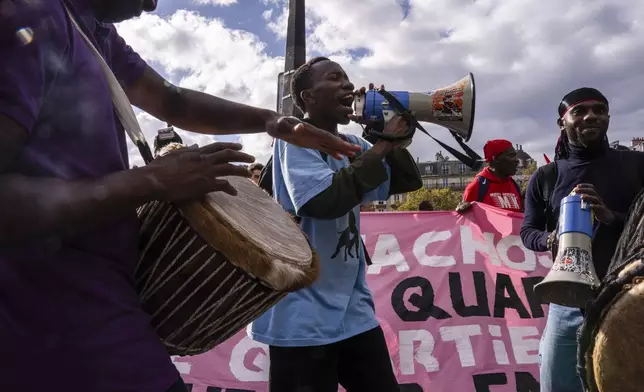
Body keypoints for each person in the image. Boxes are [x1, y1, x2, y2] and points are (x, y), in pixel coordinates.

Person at [0, 3, 360, 392]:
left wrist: (271, 121)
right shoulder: (25, 15)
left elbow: (172, 101)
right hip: (50, 314)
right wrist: (151, 181)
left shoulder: (95, 30)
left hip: (102, 297)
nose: (153, 4)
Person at [249, 56, 422, 392]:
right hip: (302, 315)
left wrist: (384, 132)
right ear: (307, 98)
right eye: (334, 78)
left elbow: (404, 180)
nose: (347, 84)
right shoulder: (292, 141)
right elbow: (323, 201)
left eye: (347, 77)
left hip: (352, 310)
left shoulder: (356, 145)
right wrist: (383, 145)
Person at [520, 87, 644, 392]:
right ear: (563, 122)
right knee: (555, 385)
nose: (591, 116)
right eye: (580, 111)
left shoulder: (637, 165)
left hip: (631, 299)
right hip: (569, 300)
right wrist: (550, 238)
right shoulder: (546, 176)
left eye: (600, 110)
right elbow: (527, 232)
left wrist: (611, 218)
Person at [456, 139, 522, 213]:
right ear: (495, 158)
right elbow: (467, 222)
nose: (517, 160)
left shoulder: (515, 185)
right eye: (511, 155)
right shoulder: (476, 187)